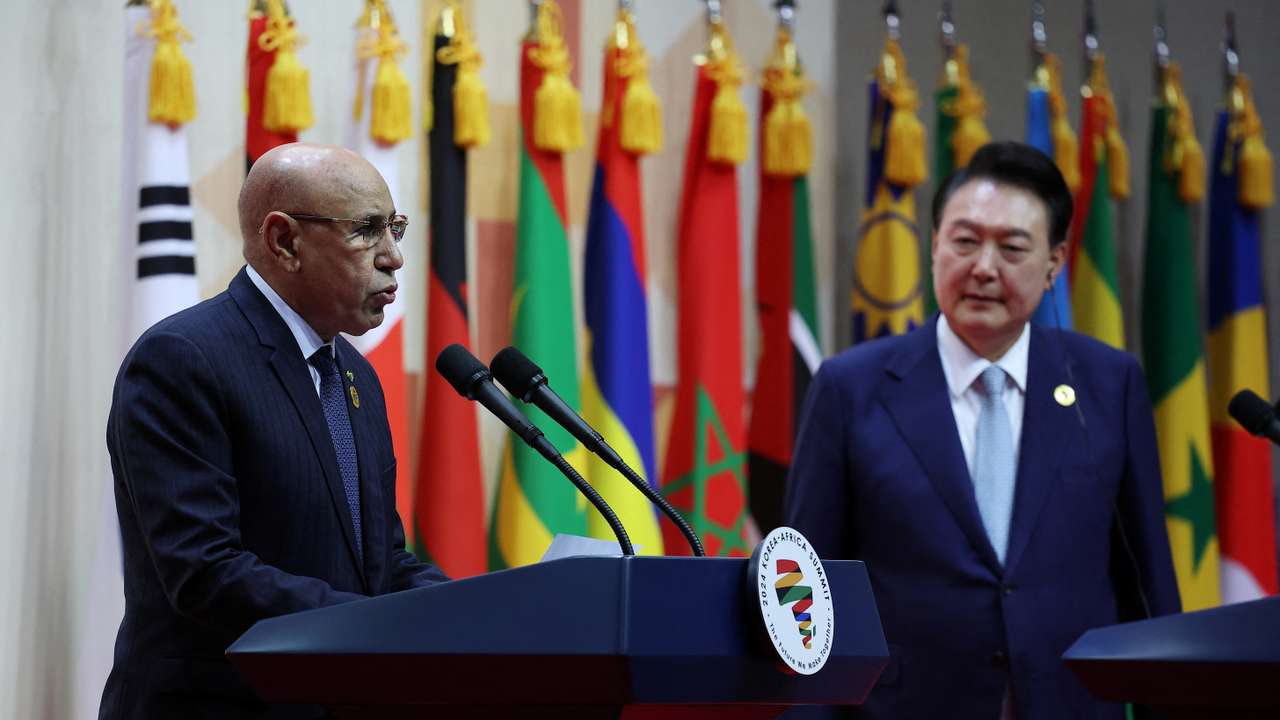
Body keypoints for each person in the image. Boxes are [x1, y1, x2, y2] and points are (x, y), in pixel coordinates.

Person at [784, 142, 1179, 719]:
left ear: (1054, 264)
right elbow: (805, 592)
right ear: (934, 247)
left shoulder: (1107, 385)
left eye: (1013, 247)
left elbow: (1148, 586)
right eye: (964, 242)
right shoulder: (851, 388)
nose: (984, 268)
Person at [100, 143, 448, 719]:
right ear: (285, 241)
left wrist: (475, 610)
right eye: (366, 231)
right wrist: (374, 625)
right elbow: (205, 571)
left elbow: (380, 559)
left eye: (396, 229)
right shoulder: (183, 359)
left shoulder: (353, 373)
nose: (394, 257)